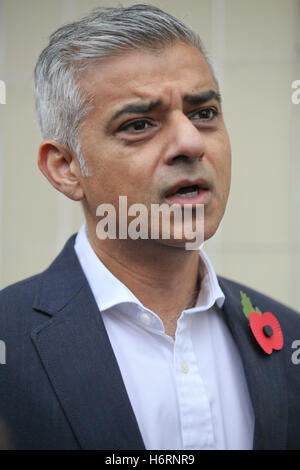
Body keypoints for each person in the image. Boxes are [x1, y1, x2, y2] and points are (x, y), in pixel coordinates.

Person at [0, 4, 299, 451]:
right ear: (65, 168)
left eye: (204, 113)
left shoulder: (289, 335)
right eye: (139, 124)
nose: (191, 143)